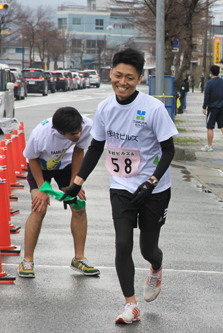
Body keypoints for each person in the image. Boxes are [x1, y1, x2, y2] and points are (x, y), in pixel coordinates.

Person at [62, 48, 179, 323]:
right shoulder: (105, 108)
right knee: (122, 243)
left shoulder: (153, 108)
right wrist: (76, 183)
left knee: (147, 249)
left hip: (155, 189)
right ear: (110, 73)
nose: (122, 82)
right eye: (118, 75)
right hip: (121, 186)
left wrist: (151, 182)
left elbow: (169, 150)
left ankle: (156, 266)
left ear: (139, 78)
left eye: (129, 77)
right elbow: (96, 147)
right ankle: (131, 305)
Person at [18, 107, 100, 278]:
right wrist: (42, 189)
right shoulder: (41, 135)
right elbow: (31, 158)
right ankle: (27, 261)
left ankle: (79, 259)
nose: (78, 135)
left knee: (78, 206)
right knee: (39, 208)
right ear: (60, 132)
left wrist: (75, 183)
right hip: (40, 167)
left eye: (79, 131)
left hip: (66, 166)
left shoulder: (85, 126)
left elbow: (79, 151)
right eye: (73, 134)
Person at [201, 65, 223, 152]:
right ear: (219, 72)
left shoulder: (210, 83)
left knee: (210, 127)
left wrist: (204, 107)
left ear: (211, 72)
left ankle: (209, 146)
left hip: (212, 108)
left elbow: (207, 96)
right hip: (222, 107)